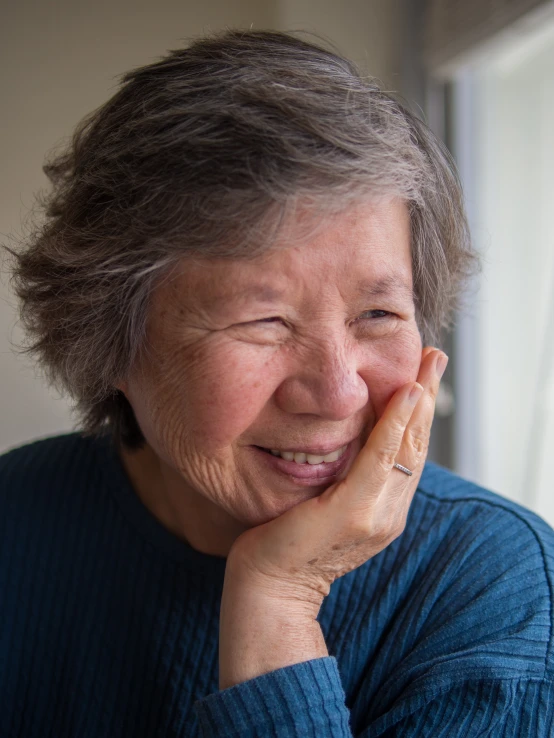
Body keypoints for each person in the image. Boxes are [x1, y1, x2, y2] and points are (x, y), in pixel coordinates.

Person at [1, 29, 553, 738]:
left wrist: (279, 605)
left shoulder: (495, 589)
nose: (338, 393)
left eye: (379, 314)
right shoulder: (16, 519)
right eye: (263, 321)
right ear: (109, 337)